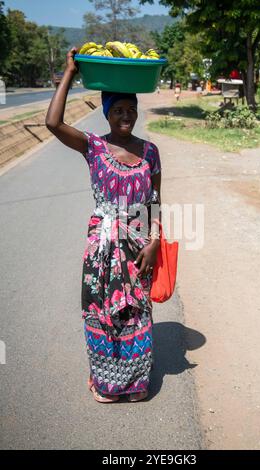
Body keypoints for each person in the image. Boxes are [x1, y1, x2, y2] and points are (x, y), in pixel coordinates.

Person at [45, 47, 162, 403]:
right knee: (103, 308)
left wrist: (155, 240)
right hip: (103, 247)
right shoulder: (93, 146)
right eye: (118, 110)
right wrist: (69, 72)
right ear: (107, 114)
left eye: (131, 110)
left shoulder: (150, 151)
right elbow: (53, 123)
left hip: (138, 242)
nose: (125, 116)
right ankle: (109, 386)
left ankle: (136, 384)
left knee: (137, 309)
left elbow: (155, 201)